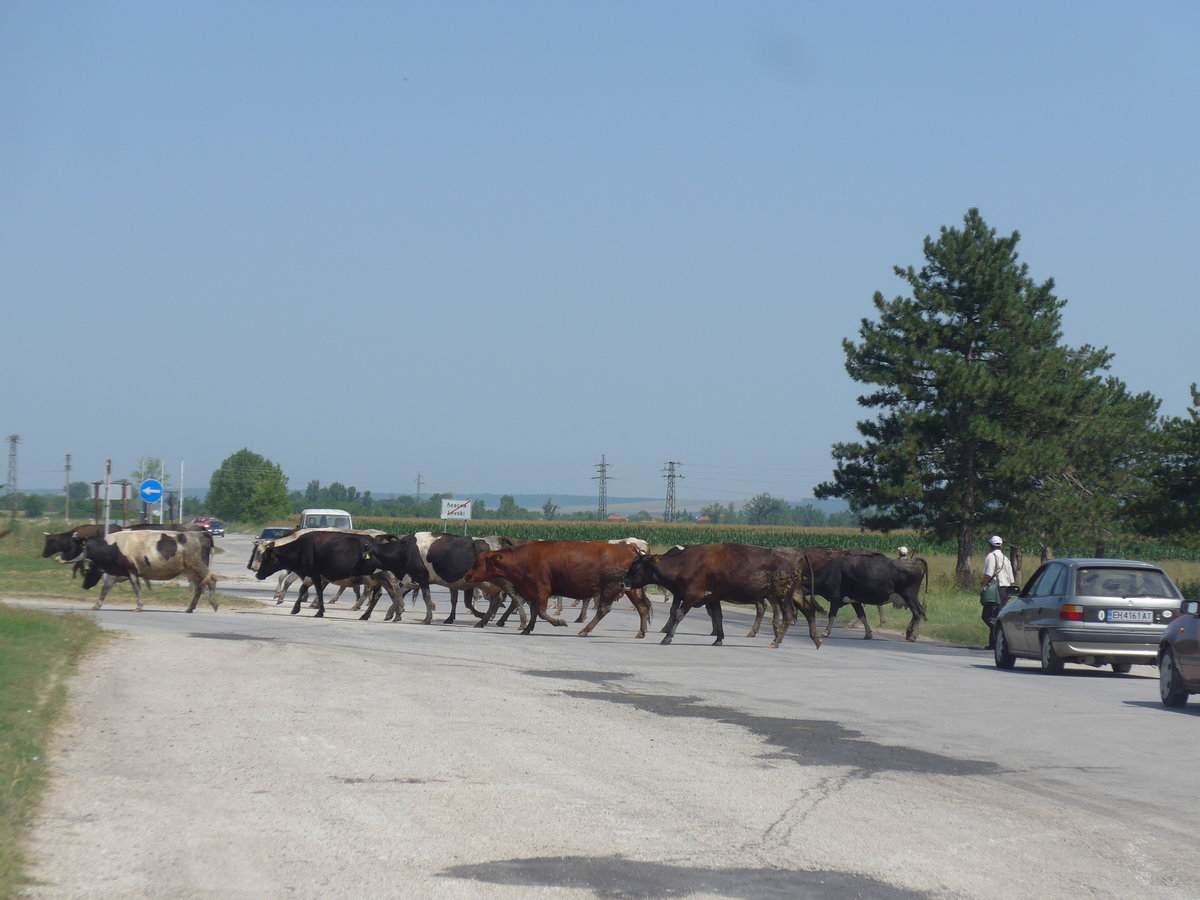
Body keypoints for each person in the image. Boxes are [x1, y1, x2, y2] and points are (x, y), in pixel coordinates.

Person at [980, 535, 1015, 649]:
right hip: (1005, 590)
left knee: (987, 616)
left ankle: (999, 635)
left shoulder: (991, 556)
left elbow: (989, 574)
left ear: (990, 545)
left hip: (994, 590)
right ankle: (994, 643)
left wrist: (983, 585)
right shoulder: (1006, 559)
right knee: (997, 615)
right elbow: (1011, 579)